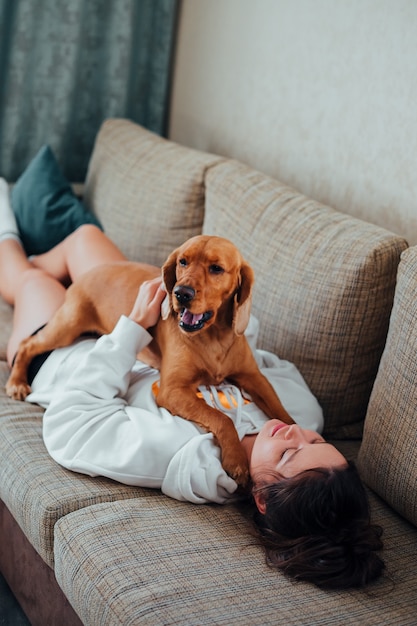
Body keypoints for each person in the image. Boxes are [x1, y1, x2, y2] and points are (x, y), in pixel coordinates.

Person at [0, 178, 384, 589]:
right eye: (316, 442)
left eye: (289, 455)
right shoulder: (303, 414)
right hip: (144, 309)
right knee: (85, 238)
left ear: (259, 496)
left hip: (69, 360)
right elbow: (261, 365)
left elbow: (71, 424)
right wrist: (229, 327)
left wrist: (130, 331)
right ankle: (52, 259)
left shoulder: (182, 457)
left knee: (32, 281)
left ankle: (9, 218)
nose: (294, 433)